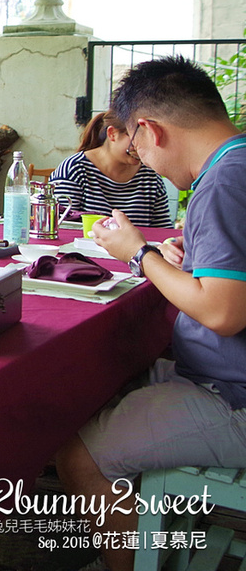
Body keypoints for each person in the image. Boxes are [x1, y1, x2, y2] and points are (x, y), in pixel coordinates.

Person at [55, 56, 246, 571]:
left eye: (139, 151)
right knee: (104, 384)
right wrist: (196, 256)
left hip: (233, 397)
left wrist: (142, 255)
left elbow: (224, 314)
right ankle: (143, 544)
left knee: (79, 456)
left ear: (150, 130)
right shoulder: (238, 163)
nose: (145, 163)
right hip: (223, 377)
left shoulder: (225, 182)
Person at [47, 110, 172, 227]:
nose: (140, 146)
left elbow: (163, 230)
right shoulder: (74, 170)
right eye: (135, 138)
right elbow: (61, 226)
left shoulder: (150, 176)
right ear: (112, 134)